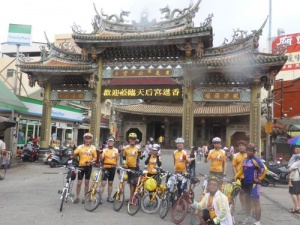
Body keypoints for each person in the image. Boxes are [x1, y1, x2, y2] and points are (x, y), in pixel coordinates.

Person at [234, 143, 267, 225]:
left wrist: (259, 178)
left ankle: (258, 221)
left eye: (251, 151)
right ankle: (248, 218)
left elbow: (264, 169)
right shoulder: (245, 160)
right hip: (246, 184)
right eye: (248, 150)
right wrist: (235, 177)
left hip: (255, 184)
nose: (249, 152)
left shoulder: (256, 160)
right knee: (247, 202)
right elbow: (242, 170)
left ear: (254, 152)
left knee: (256, 202)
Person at [73, 133, 97, 204]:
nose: (87, 140)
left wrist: (91, 161)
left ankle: (84, 197)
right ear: (84, 139)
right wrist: (73, 147)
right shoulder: (80, 147)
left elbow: (95, 157)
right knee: (79, 183)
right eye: (86, 138)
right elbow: (74, 154)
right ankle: (77, 197)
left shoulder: (93, 148)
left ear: (91, 140)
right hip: (81, 166)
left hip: (88, 167)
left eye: (89, 138)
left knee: (87, 183)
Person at [123, 132, 143, 202]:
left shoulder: (137, 148)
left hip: (135, 168)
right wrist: (124, 163)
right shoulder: (126, 148)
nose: (132, 140)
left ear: (135, 140)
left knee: (134, 183)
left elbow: (141, 157)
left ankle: (133, 198)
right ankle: (132, 197)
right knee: (130, 183)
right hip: (128, 167)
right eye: (131, 139)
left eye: (134, 139)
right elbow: (124, 157)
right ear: (129, 139)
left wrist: (140, 152)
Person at [99, 136, 119, 203]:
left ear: (114, 142)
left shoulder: (116, 150)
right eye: (109, 141)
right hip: (105, 168)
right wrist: (100, 154)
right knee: (103, 183)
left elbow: (117, 159)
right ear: (107, 142)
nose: (110, 142)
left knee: (110, 183)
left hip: (113, 168)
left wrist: (118, 167)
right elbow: (101, 159)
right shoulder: (104, 150)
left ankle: (109, 197)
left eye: (112, 141)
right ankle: (100, 197)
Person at [231, 140, 248, 215]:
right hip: (239, 177)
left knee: (250, 193)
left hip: (248, 177)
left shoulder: (249, 155)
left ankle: (252, 209)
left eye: (242, 146)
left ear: (245, 147)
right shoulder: (236, 155)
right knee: (241, 192)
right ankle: (244, 208)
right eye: (239, 146)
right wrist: (235, 174)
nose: (241, 147)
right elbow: (234, 165)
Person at [287, 145, 300, 213]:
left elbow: (292, 167)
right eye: (295, 149)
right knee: (298, 193)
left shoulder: (298, 158)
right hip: (298, 177)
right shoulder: (296, 157)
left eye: (297, 149)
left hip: (294, 177)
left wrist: (288, 170)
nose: (296, 150)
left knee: (292, 193)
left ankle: (297, 207)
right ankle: (297, 206)